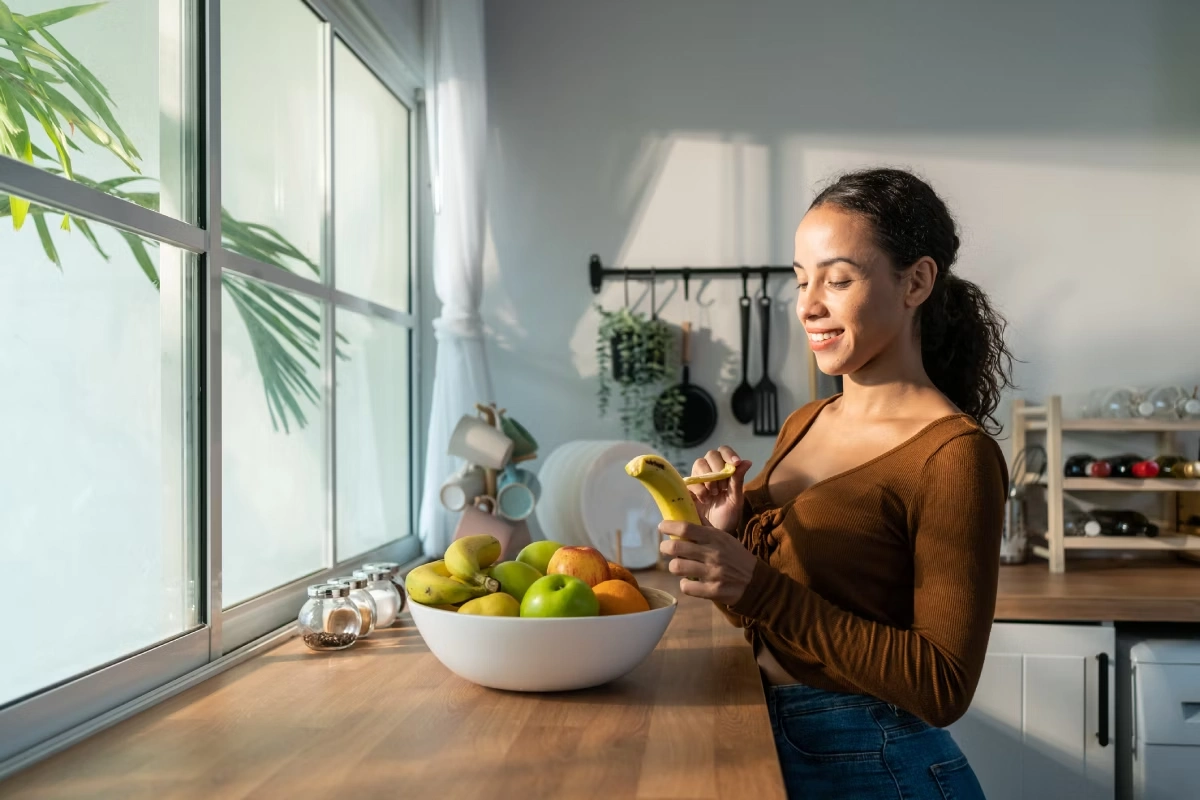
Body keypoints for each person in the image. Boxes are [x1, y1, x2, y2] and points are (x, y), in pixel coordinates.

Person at [658, 167, 1014, 799]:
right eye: (801, 279)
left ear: (916, 282)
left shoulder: (955, 457)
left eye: (838, 279)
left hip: (879, 764)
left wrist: (756, 584)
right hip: (775, 739)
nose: (808, 305)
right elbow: (770, 621)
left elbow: (944, 686)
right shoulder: (807, 421)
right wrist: (727, 540)